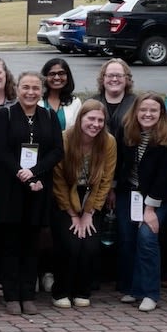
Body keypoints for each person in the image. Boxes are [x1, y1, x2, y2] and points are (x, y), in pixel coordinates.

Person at [0, 74, 62, 316]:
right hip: (10, 187)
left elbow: (56, 151)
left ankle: (28, 294)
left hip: (39, 187)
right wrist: (22, 174)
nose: (30, 92)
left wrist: (33, 173)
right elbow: (0, 150)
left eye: (35, 88)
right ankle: (11, 295)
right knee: (10, 242)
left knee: (32, 243)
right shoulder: (5, 114)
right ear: (17, 89)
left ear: (42, 90)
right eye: (25, 87)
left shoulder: (49, 116)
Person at [113, 96, 167, 311]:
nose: (148, 114)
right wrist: (112, 190)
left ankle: (151, 293)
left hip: (156, 196)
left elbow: (162, 176)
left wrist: (149, 209)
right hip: (128, 193)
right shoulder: (127, 131)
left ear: (161, 113)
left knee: (147, 237)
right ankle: (135, 288)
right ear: (136, 111)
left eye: (153, 110)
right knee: (127, 238)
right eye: (143, 109)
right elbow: (120, 164)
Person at [48, 100, 114, 309]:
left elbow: (106, 180)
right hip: (64, 198)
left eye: (100, 120)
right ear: (80, 119)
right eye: (91, 119)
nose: (95, 124)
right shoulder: (64, 139)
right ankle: (60, 291)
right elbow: (57, 181)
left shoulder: (108, 142)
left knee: (90, 245)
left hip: (92, 199)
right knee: (71, 244)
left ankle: (82, 290)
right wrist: (73, 214)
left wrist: (89, 213)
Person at [39, 58, 80, 129]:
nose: (57, 77)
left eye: (61, 73)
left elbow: (77, 131)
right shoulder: (37, 101)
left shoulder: (75, 102)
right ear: (44, 77)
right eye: (52, 74)